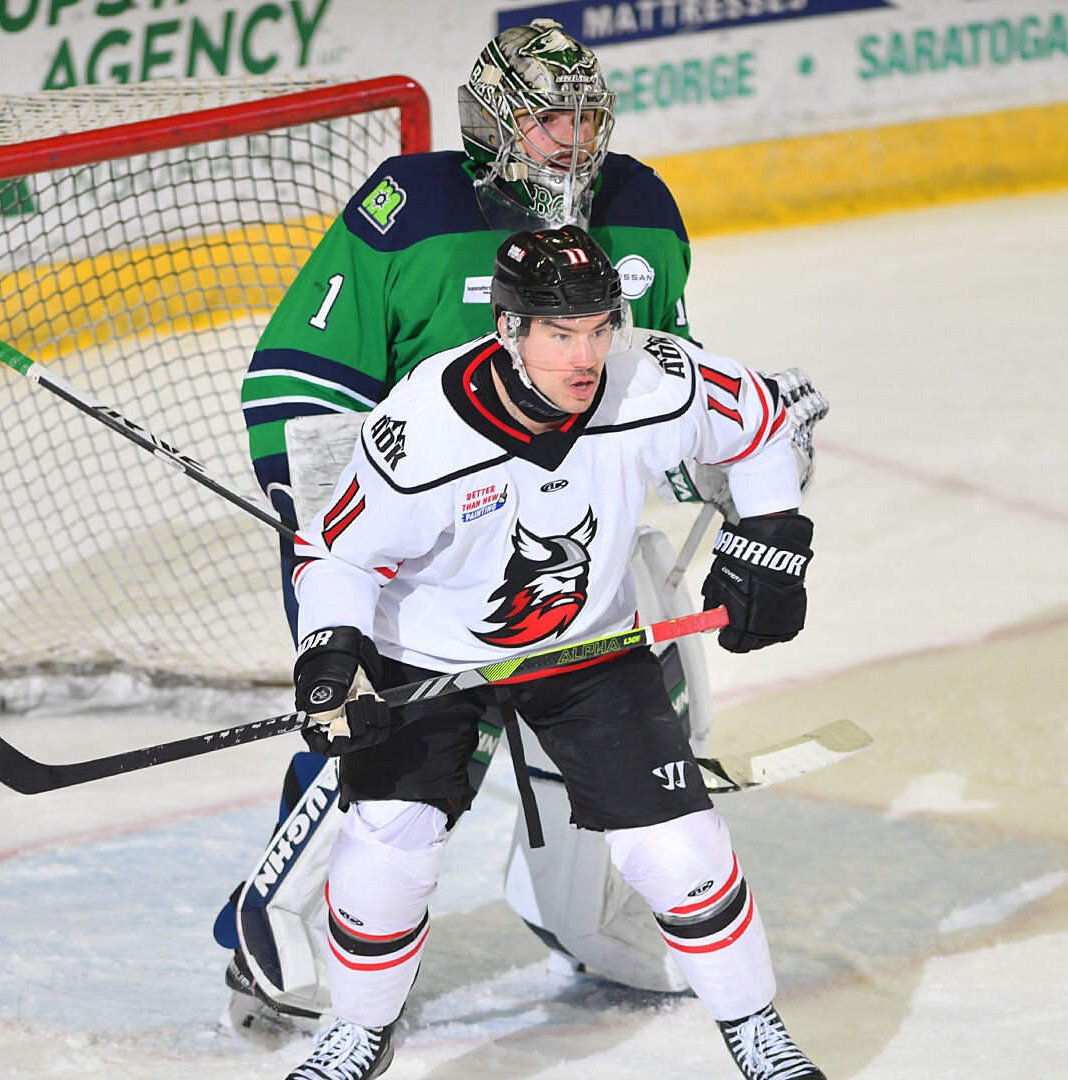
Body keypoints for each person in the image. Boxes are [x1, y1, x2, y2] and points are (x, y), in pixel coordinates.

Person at [219, 18, 716, 1027]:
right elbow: (297, 379)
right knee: (381, 732)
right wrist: (340, 561)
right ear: (494, 124)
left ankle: (585, 911)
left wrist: (739, 491)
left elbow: (673, 379)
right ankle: (274, 928)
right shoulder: (412, 209)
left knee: (646, 705)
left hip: (570, 528)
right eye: (547, 119)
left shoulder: (644, 208)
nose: (572, 138)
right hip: (419, 543)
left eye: (586, 116)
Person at [280, 225, 824, 1080]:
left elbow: (759, 422)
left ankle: (758, 1032)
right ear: (507, 330)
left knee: (679, 849)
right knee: (388, 847)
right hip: (424, 656)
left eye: (601, 328)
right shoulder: (422, 431)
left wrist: (775, 538)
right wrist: (330, 657)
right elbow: (339, 554)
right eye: (560, 334)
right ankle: (357, 1031)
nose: (586, 356)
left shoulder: (654, 378)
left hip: (585, 643)